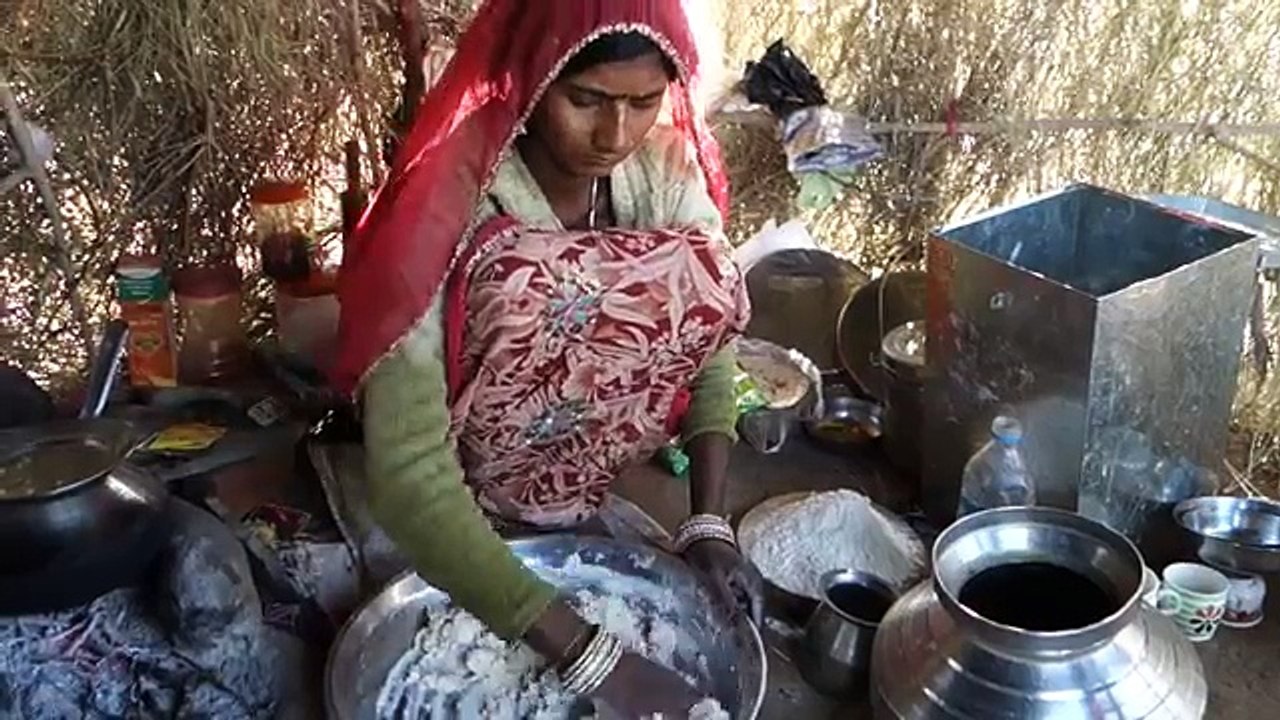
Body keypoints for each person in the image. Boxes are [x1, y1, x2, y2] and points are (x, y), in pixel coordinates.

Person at [332, 1, 760, 716]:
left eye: (642, 103)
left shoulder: (658, 173)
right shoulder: (447, 206)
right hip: (456, 485)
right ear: (533, 77)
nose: (614, 135)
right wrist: (592, 658)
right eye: (585, 100)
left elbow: (710, 338)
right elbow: (409, 472)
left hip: (585, 474)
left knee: (700, 265)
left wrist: (708, 522)